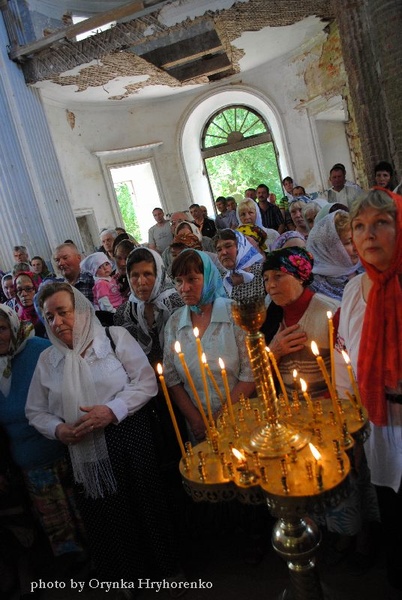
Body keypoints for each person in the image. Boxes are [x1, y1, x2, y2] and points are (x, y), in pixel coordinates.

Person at [26, 282, 181, 588]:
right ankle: (126, 578)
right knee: (106, 514)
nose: (57, 323)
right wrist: (58, 429)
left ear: (81, 311)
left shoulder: (112, 338)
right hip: (82, 447)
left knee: (146, 505)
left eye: (63, 312)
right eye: (49, 317)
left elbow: (146, 382)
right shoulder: (48, 360)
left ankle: (167, 571)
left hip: (128, 436)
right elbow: (35, 411)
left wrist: (112, 410)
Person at [335, 188, 402, 596]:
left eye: (381, 223)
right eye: (360, 227)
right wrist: (350, 425)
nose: (369, 234)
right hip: (379, 422)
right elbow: (346, 365)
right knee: (394, 514)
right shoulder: (353, 291)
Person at [0, 304, 86, 568]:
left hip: (64, 450)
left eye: (2, 328)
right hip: (28, 465)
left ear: (13, 326)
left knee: (85, 516)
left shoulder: (40, 350)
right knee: (57, 528)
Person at [163, 250, 255, 442]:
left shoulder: (234, 314)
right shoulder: (174, 323)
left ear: (209, 277)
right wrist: (197, 420)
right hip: (199, 428)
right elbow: (171, 378)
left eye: (192, 279)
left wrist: (219, 419)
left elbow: (250, 373)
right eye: (179, 281)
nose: (184, 288)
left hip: (239, 417)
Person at [260, 247, 339, 398]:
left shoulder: (331, 313)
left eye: (278, 276)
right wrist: (273, 354)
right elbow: (261, 376)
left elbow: (349, 373)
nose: (270, 285)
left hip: (330, 408)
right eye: (266, 279)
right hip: (289, 410)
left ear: (300, 277)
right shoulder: (270, 318)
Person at [114, 247, 183, 369]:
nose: (141, 281)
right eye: (134, 275)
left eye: (147, 274)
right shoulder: (123, 314)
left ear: (159, 275)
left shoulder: (178, 304)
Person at [306, 210, 360, 300]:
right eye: (348, 242)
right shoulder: (315, 286)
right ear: (329, 248)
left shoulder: (366, 269)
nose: (356, 247)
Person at [215, 229, 265, 301]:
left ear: (242, 247)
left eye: (228, 246)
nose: (223, 252)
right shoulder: (220, 281)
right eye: (219, 250)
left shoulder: (262, 272)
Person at [14, 271, 46, 337]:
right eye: (19, 290)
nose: (23, 294)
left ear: (37, 288)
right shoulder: (17, 317)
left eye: (28, 289)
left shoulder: (47, 311)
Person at [113, 237, 136, 302]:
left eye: (126, 259)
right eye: (119, 258)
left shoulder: (140, 280)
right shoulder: (109, 279)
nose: (122, 263)